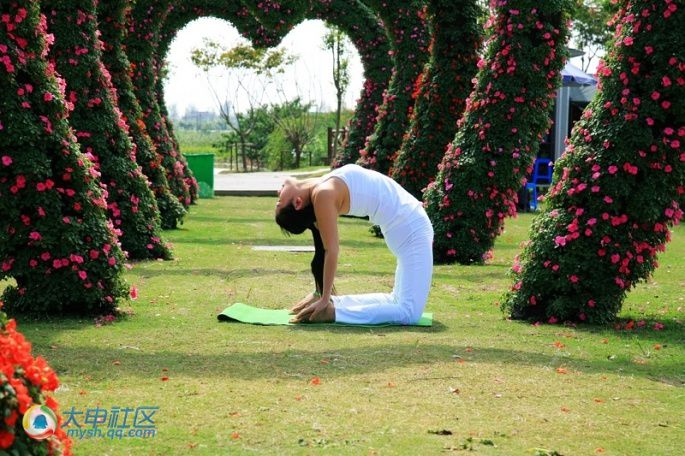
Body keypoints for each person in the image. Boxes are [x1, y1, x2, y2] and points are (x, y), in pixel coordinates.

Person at [275, 164, 434, 325]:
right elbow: (330, 250)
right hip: (411, 227)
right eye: (279, 202)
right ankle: (332, 311)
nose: (278, 192)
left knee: (396, 301)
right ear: (297, 203)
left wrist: (321, 294)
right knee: (409, 312)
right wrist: (324, 298)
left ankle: (334, 304)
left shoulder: (319, 187)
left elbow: (322, 248)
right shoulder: (323, 193)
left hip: (404, 227)